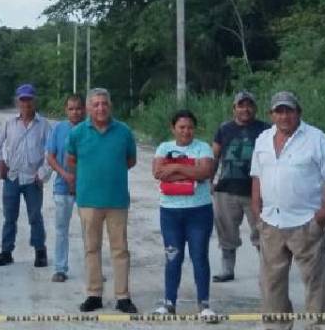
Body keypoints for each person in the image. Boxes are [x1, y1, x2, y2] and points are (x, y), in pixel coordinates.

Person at [250, 91, 325, 330]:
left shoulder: (316, 138)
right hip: (271, 220)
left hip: (305, 221)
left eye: (289, 110)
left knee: (315, 279)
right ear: (271, 114)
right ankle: (276, 326)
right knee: (271, 278)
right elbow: (257, 175)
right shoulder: (263, 139)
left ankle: (318, 329)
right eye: (279, 111)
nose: (284, 116)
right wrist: (257, 209)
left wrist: (323, 213)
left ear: (298, 113)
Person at [65, 88, 138, 313]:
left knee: (120, 249)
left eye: (104, 103)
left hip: (116, 200)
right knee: (91, 249)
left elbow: (130, 160)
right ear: (88, 107)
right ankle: (94, 294)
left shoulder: (124, 131)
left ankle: (122, 296)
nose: (100, 108)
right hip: (88, 200)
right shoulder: (77, 133)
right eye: (95, 104)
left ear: (110, 106)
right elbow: (71, 160)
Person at [152, 109, 217, 317]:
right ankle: (169, 302)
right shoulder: (164, 147)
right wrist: (189, 170)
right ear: (173, 128)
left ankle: (204, 304)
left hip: (199, 211)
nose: (186, 131)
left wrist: (175, 167)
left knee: (199, 256)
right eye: (181, 127)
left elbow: (205, 172)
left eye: (189, 127)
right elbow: (158, 173)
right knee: (173, 256)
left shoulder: (203, 147)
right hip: (171, 212)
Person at [211, 90, 268, 282]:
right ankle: (227, 269)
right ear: (234, 108)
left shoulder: (266, 130)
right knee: (226, 231)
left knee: (261, 231)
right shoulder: (224, 128)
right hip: (226, 189)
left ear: (255, 108)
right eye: (241, 105)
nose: (245, 109)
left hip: (257, 191)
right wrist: (209, 182)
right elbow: (215, 156)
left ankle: (267, 270)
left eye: (249, 105)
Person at [0, 84, 51, 268]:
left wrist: (42, 174)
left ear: (35, 101)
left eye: (29, 99)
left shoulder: (44, 125)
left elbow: (51, 153)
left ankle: (40, 251)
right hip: (13, 177)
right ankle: (6, 252)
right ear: (17, 101)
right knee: (9, 216)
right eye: (22, 99)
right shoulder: (9, 123)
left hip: (33, 178)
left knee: (35, 216)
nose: (26, 103)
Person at [45, 94, 85, 283]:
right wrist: (64, 174)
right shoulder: (58, 129)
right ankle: (60, 268)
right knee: (62, 229)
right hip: (62, 187)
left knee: (90, 231)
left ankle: (93, 269)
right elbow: (50, 156)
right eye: (71, 108)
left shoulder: (91, 129)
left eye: (78, 108)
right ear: (65, 110)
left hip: (87, 188)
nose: (75, 112)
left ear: (84, 109)